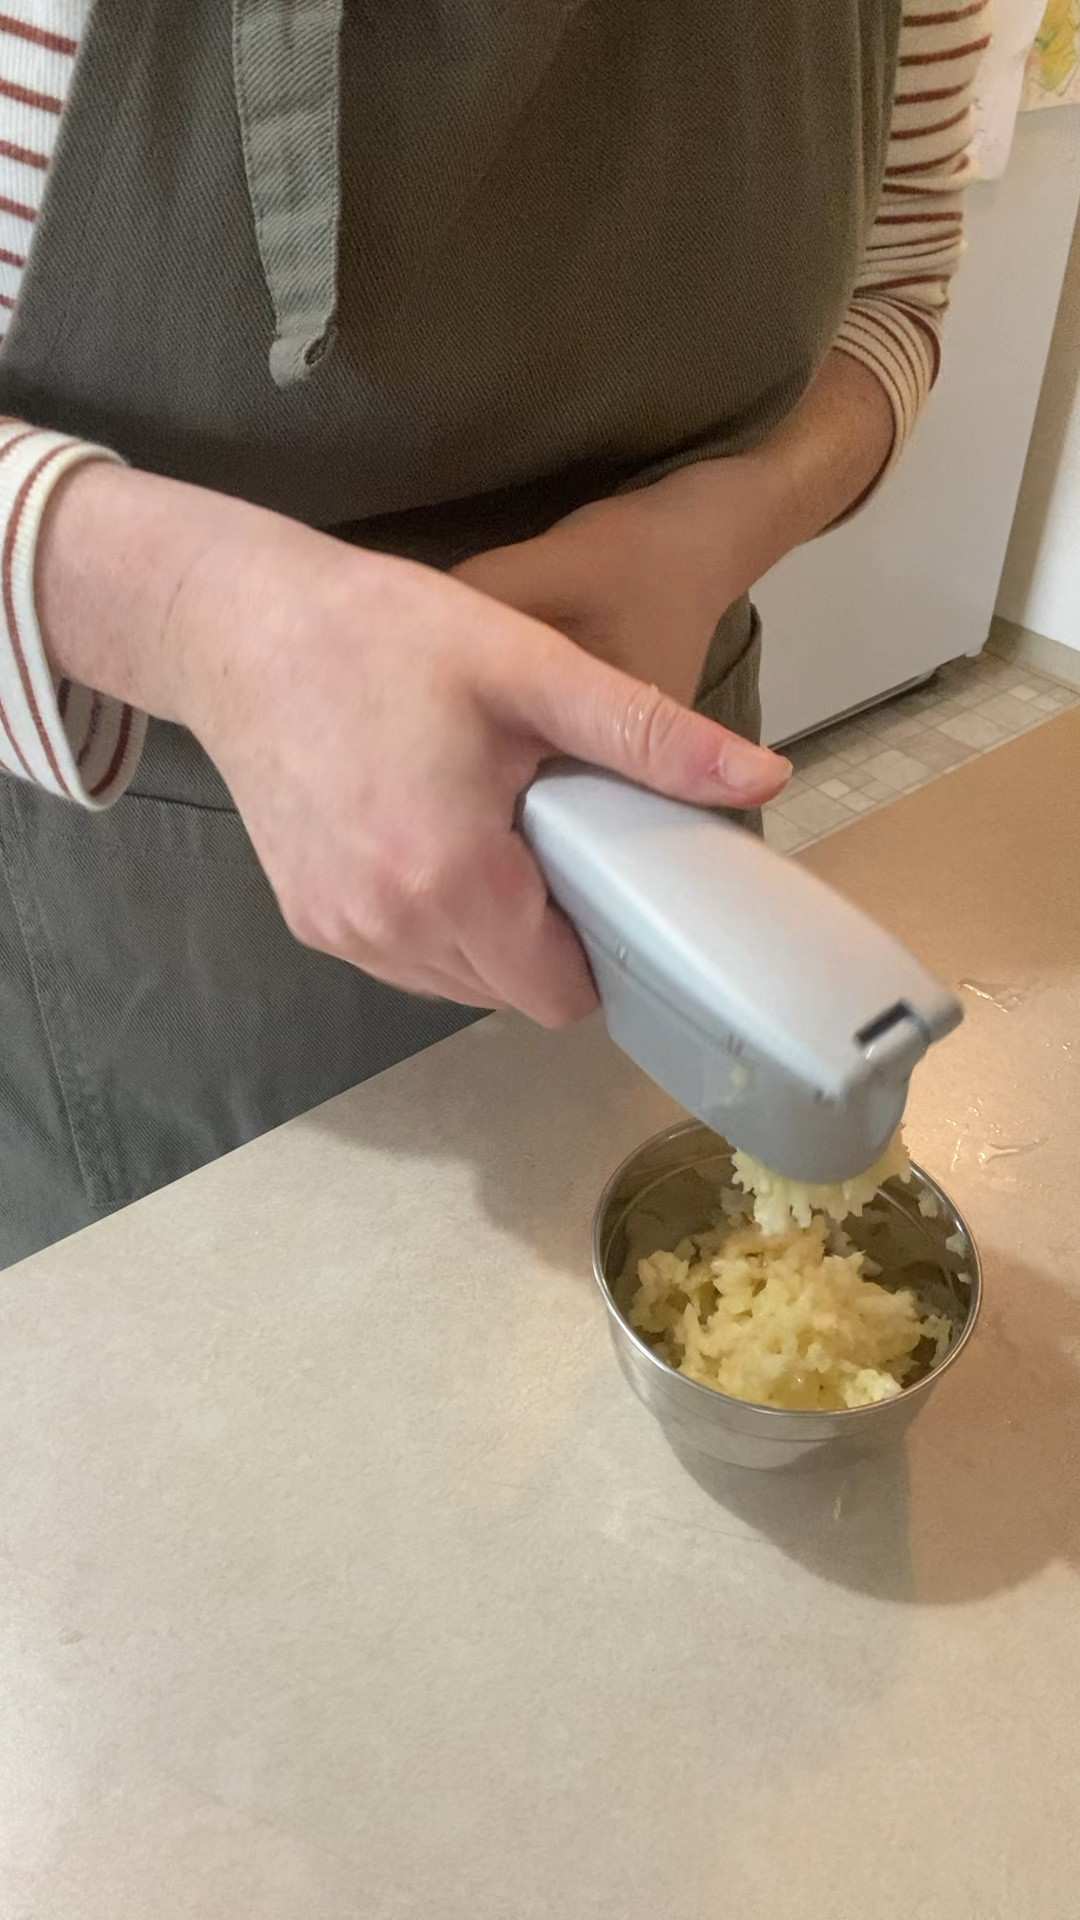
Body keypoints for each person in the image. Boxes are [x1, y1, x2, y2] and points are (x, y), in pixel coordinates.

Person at [0, 2, 987, 1267]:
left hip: (653, 828)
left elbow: (895, 291)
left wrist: (719, 527)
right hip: (151, 925)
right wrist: (194, 617)